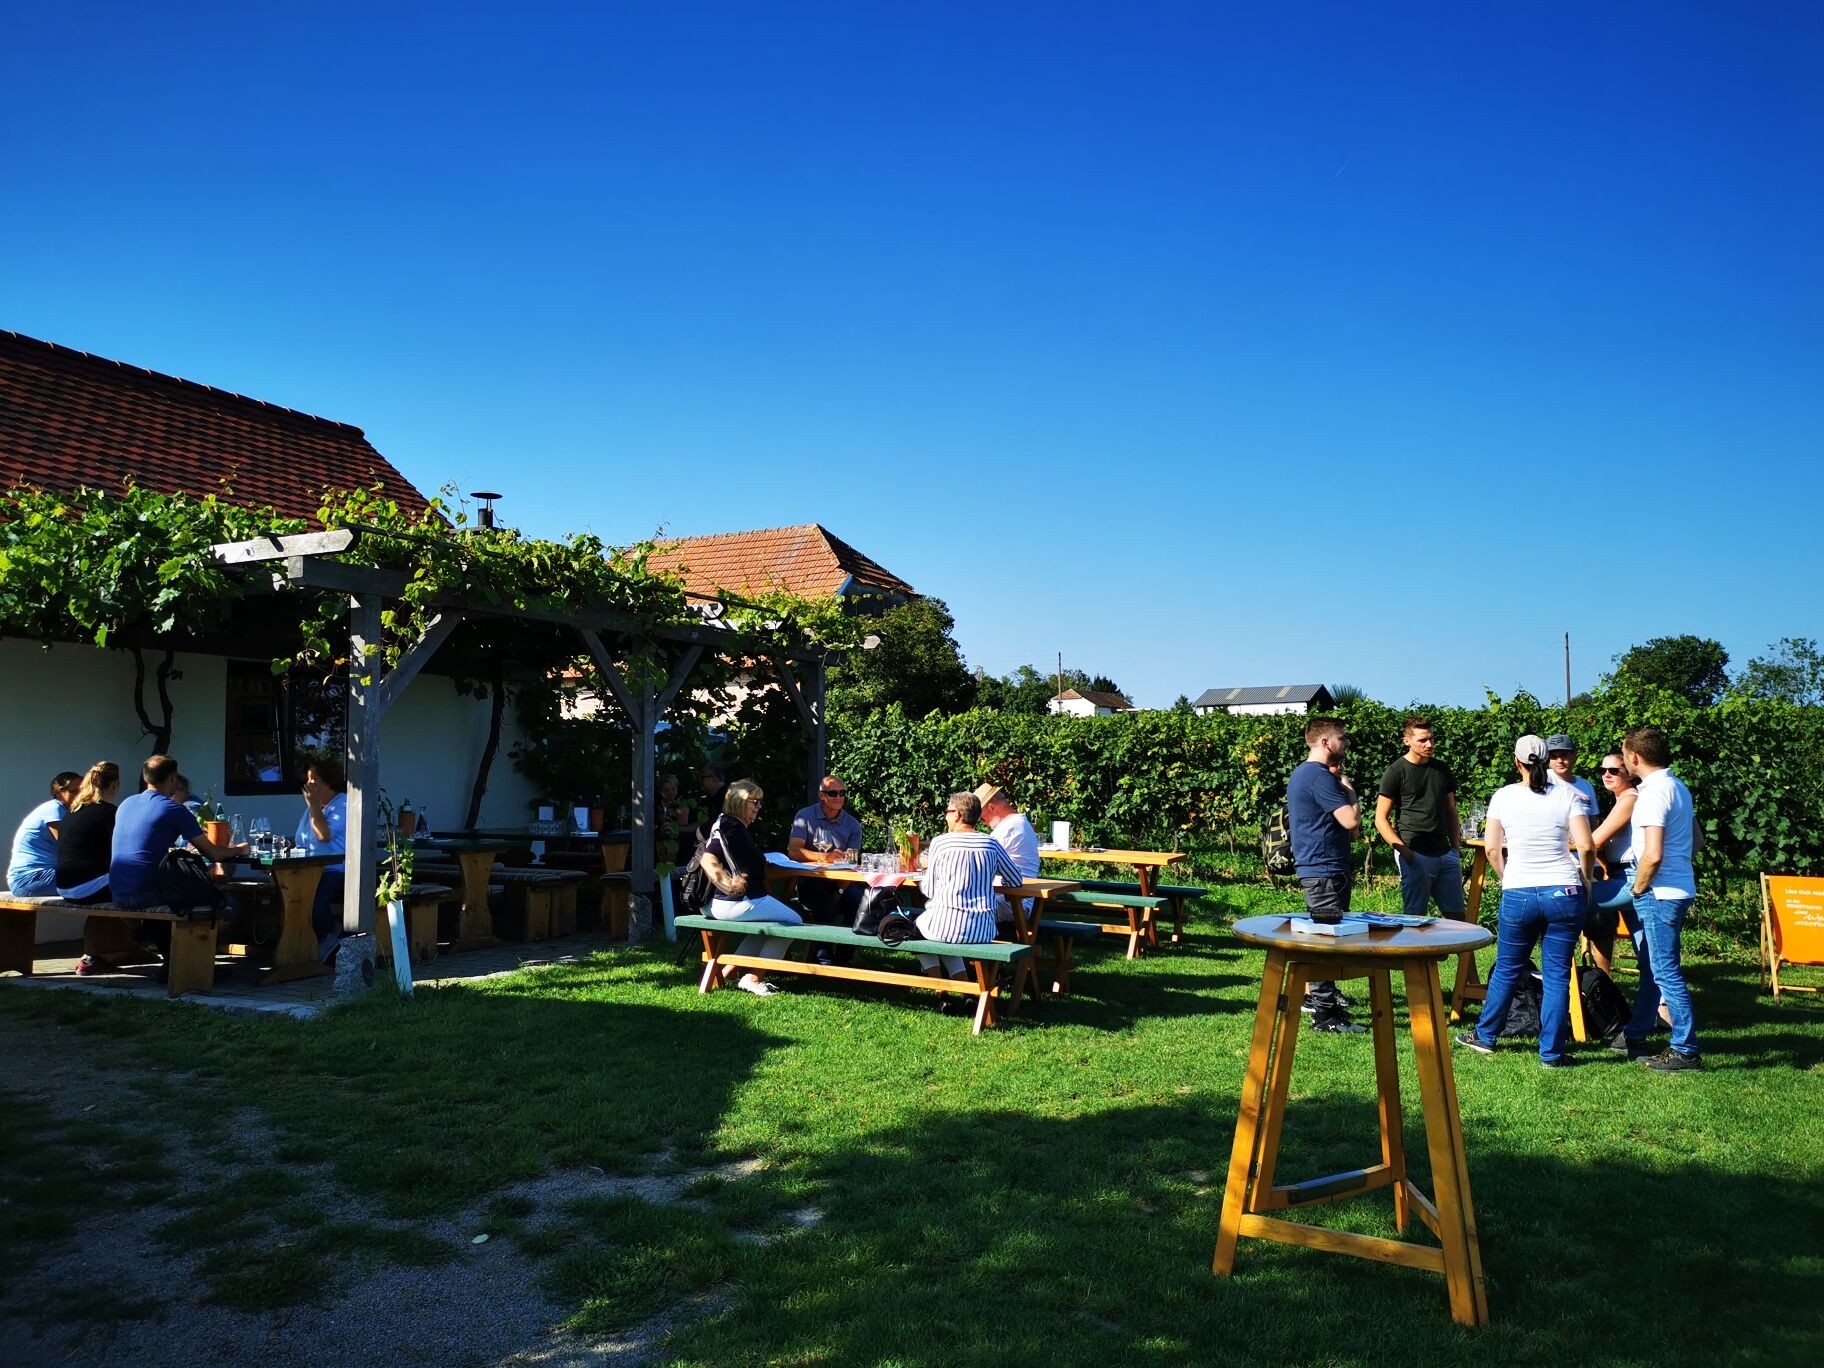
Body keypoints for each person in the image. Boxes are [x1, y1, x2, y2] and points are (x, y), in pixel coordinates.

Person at [1455, 735, 1594, 1067]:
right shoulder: (1568, 795)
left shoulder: (1503, 796)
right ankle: (1552, 1052)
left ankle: (1486, 1035)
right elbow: (1586, 846)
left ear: (1517, 762)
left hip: (1519, 890)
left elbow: (1492, 848)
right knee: (1557, 973)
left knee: (1507, 967)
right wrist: (1586, 880)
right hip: (1563, 889)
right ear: (1547, 761)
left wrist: (1508, 878)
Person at [1612, 725, 1703, 1072]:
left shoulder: (1651, 794)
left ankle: (1685, 1050)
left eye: (1624, 755)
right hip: (1678, 888)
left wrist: (1638, 888)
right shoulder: (1678, 786)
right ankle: (1637, 1032)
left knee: (1665, 972)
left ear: (1634, 757)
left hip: (1658, 892)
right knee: (1659, 967)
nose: (1623, 761)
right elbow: (1696, 841)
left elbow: (1652, 854)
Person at [1285, 717, 1364, 1033]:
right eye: (1342, 738)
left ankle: (1324, 1006)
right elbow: (1350, 822)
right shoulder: (1319, 777)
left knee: (1327, 937)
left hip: (1325, 868)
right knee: (1324, 941)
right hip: (1323, 869)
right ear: (1325, 742)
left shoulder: (1305, 774)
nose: (1346, 743)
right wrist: (1351, 792)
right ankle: (1326, 1016)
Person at [699, 779, 801, 996]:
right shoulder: (733, 828)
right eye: (754, 802)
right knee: (793, 922)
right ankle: (754, 978)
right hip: (736, 901)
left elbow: (702, 838)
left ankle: (727, 972)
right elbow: (713, 859)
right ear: (738, 802)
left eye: (760, 802)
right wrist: (729, 881)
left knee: (767, 927)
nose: (758, 807)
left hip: (719, 903)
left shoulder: (724, 823)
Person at [913, 792, 1024, 989]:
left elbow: (929, 890)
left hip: (943, 927)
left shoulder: (940, 842)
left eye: (947, 811)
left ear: (957, 814)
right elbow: (1015, 880)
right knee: (945, 934)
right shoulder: (990, 844)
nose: (946, 816)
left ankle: (940, 990)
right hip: (983, 930)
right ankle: (964, 992)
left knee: (914, 929)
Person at [111, 755, 246, 912]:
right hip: (149, 895)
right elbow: (213, 854)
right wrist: (240, 849)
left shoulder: (126, 804)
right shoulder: (173, 809)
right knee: (232, 906)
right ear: (173, 777)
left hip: (118, 894)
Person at [1374, 717, 1466, 921]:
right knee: (1414, 918)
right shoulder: (1396, 771)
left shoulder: (1442, 769)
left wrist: (1455, 849)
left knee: (1458, 918)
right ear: (1406, 741)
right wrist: (1405, 852)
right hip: (1416, 853)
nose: (1429, 744)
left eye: (1431, 738)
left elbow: (1451, 810)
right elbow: (1380, 819)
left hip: (1445, 853)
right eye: (1422, 740)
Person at [1583, 751, 1641, 972]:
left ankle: (1566, 977)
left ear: (1629, 774)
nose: (1607, 775)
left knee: (1568, 899)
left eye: (1614, 770)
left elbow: (1595, 841)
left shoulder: (1630, 799)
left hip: (1630, 878)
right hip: (1621, 874)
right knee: (1646, 953)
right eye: (1603, 770)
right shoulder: (1622, 800)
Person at [787, 775, 865, 929]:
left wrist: (839, 891)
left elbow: (851, 861)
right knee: (826, 908)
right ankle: (821, 945)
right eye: (833, 793)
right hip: (811, 880)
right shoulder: (805, 816)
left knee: (859, 904)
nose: (839, 797)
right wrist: (825, 857)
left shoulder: (852, 825)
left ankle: (846, 945)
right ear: (822, 795)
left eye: (842, 793)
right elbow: (794, 852)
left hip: (841, 880)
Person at [296, 756, 348, 961]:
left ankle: (329, 936)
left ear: (328, 780)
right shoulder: (314, 807)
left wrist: (314, 806)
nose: (309, 784)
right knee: (288, 898)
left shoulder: (343, 804)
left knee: (314, 902)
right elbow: (303, 839)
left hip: (334, 870)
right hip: (309, 869)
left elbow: (324, 835)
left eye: (314, 779)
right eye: (308, 779)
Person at [56, 762, 121, 906]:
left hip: (63, 888)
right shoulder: (109, 812)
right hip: (88, 888)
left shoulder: (72, 811)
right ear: (115, 785)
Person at [7, 771, 81, 896]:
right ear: (58, 793)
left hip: (41, 876)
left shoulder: (67, 811)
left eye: (83, 791)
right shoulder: (54, 808)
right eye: (74, 791)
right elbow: (68, 845)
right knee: (99, 881)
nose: (80, 796)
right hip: (28, 879)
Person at [976, 783, 1039, 924]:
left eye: (982, 818)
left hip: (1013, 903)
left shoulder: (1009, 827)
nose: (983, 823)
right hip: (1010, 898)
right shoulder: (1017, 823)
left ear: (991, 808)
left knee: (960, 909)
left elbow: (978, 861)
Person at [1544, 734, 1600, 821]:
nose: (1559, 761)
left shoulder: (1587, 786)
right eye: (1553, 756)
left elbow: (1593, 822)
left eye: (1563, 755)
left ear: (1574, 755)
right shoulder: (1542, 780)